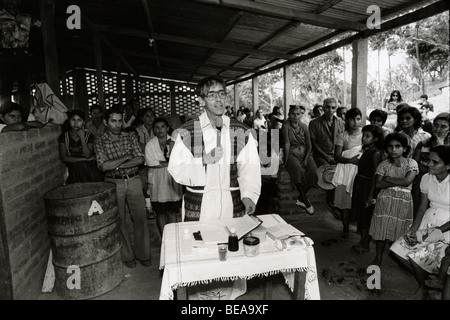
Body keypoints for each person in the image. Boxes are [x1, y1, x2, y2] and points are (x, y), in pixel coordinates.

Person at [168, 75, 261, 222]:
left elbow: (250, 168)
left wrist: (249, 196)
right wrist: (203, 160)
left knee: (232, 242)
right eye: (211, 95)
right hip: (199, 205)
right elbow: (176, 169)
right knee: (200, 244)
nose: (219, 99)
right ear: (201, 100)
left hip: (232, 204)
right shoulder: (187, 131)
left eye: (222, 94)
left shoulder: (242, 131)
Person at [94, 104, 152, 269]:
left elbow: (140, 159)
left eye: (120, 121)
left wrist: (116, 165)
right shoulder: (100, 141)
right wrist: (126, 157)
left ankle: (143, 254)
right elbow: (103, 166)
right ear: (106, 122)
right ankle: (127, 256)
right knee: (120, 220)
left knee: (140, 218)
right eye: (113, 121)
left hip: (133, 180)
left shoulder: (130, 137)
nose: (117, 124)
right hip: (113, 182)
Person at [390, 145, 450, 300]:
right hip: (427, 221)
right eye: (428, 160)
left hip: (446, 229)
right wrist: (414, 230)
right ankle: (424, 285)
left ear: (448, 165)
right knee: (397, 251)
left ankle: (429, 282)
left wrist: (434, 233)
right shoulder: (426, 178)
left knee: (416, 259)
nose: (429, 164)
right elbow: (423, 206)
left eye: (435, 162)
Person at [368, 132, 418, 267]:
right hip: (384, 200)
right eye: (390, 146)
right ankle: (378, 257)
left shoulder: (411, 163)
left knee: (401, 229)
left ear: (405, 149)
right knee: (382, 229)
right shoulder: (383, 164)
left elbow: (407, 181)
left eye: (398, 146)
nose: (393, 150)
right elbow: (378, 184)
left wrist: (387, 179)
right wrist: (398, 181)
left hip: (404, 202)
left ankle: (400, 256)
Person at [0, 0, 41, 119]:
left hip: (23, 54)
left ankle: (23, 117)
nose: (12, 2)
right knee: (4, 88)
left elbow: (44, 23)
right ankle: (5, 116)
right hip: (5, 54)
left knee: (24, 88)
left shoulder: (27, 18)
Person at [350, 125, 385, 254]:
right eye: (363, 135)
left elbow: (376, 175)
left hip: (368, 186)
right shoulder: (367, 150)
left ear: (375, 138)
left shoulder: (376, 153)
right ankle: (362, 241)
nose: (364, 138)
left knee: (367, 217)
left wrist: (371, 195)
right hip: (361, 184)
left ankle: (366, 243)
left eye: (367, 136)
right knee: (362, 216)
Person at [145, 117, 182, 236]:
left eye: (162, 127)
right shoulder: (150, 144)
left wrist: (163, 163)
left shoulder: (175, 142)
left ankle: (172, 237)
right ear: (154, 130)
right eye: (157, 127)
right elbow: (151, 163)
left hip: (172, 180)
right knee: (160, 212)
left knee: (172, 212)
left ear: (167, 128)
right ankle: (163, 238)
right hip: (157, 181)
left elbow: (180, 161)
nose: (160, 130)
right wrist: (170, 162)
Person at [309, 97, 345, 217]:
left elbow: (343, 141)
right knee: (328, 173)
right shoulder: (314, 123)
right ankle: (331, 202)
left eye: (333, 107)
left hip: (336, 154)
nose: (330, 110)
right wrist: (326, 156)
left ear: (336, 108)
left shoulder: (341, 122)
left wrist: (338, 156)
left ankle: (338, 204)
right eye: (327, 107)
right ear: (323, 108)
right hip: (320, 155)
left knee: (342, 173)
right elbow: (313, 143)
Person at [332, 107, 363, 239]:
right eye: (352, 119)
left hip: (360, 171)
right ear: (347, 120)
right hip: (346, 171)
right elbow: (337, 156)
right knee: (345, 202)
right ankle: (345, 228)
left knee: (359, 201)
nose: (355, 122)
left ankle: (361, 228)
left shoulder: (365, 134)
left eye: (358, 119)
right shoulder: (342, 136)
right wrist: (350, 160)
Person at [281, 105, 317, 214]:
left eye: (298, 114)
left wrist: (306, 159)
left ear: (301, 115)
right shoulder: (286, 126)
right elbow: (287, 144)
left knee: (314, 171)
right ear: (288, 115)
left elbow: (309, 145)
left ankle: (300, 198)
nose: (295, 116)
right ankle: (305, 201)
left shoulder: (304, 126)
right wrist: (286, 160)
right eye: (293, 114)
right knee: (297, 169)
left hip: (305, 152)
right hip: (291, 152)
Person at [412, 112, 449, 217]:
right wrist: (427, 169)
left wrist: (440, 143)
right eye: (436, 125)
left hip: (445, 182)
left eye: (443, 126)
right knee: (420, 208)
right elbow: (414, 164)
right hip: (423, 179)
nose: (438, 129)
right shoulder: (424, 143)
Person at [58, 110, 103, 184]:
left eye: (79, 120)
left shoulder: (89, 136)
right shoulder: (64, 137)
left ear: (83, 122)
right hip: (74, 170)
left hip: (89, 170)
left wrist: (82, 136)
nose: (76, 123)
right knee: (79, 166)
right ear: (69, 121)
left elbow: (87, 154)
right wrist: (84, 159)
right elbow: (64, 158)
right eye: (73, 120)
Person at [135, 107, 157, 219]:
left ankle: (155, 206)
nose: (150, 118)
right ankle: (148, 207)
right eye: (147, 116)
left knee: (155, 184)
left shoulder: (157, 129)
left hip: (156, 162)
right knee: (144, 185)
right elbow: (138, 148)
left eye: (152, 116)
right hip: (142, 164)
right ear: (142, 118)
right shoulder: (138, 131)